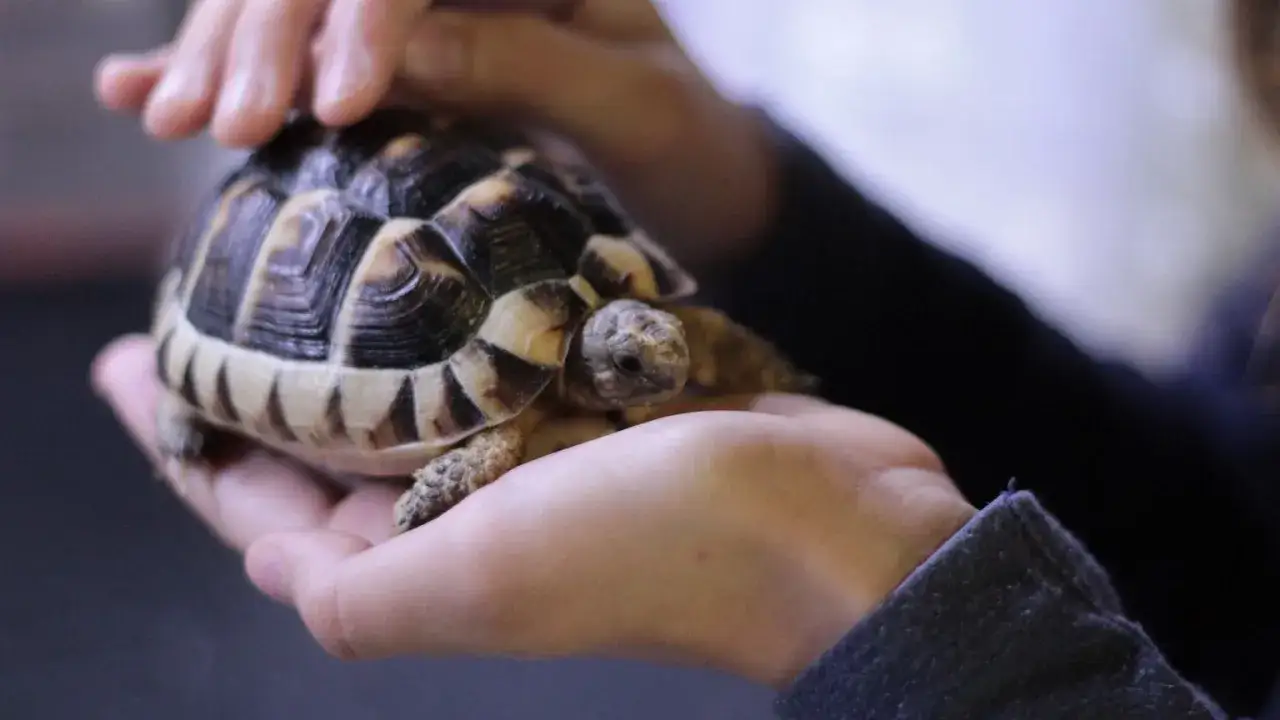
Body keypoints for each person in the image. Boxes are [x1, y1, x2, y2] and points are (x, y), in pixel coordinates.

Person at [88, 0, 1280, 717]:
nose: (660, 358)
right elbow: (1230, 542)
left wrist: (894, 608)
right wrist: (744, 202)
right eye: (639, 354)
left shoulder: (578, 374)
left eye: (651, 353)